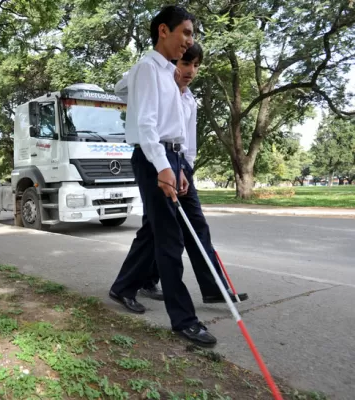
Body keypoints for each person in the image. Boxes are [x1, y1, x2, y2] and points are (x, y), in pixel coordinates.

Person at [108, 5, 218, 347]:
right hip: (152, 156)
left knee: (159, 233)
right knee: (169, 240)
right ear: (163, 31)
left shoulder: (170, 74)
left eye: (192, 34)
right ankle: (184, 320)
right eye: (185, 32)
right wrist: (163, 166)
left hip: (170, 157)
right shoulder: (146, 69)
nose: (190, 41)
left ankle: (123, 287)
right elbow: (146, 125)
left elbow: (175, 129)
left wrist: (180, 166)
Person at [138, 44, 248, 305]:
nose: (190, 70)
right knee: (161, 230)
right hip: (158, 161)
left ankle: (213, 288)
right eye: (185, 63)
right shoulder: (158, 84)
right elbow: (148, 126)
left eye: (196, 65)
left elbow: (189, 139)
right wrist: (165, 165)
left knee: (193, 226)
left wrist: (187, 167)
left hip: (180, 165)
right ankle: (137, 283)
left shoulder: (189, 99)